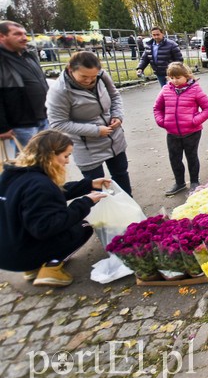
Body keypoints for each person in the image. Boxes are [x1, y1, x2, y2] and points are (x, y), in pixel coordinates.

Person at [0, 130, 110, 286]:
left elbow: (53, 193)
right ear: (50, 155)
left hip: (7, 253)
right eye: (65, 156)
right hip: (21, 254)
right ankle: (50, 269)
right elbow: (48, 227)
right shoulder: (39, 185)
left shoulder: (12, 174)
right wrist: (85, 202)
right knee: (83, 227)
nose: (67, 161)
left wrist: (89, 184)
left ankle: (32, 267)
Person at [46, 51, 132, 195]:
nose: (89, 81)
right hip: (87, 146)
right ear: (70, 69)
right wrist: (96, 130)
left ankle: (129, 204)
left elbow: (114, 96)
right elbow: (58, 123)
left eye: (93, 77)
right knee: (95, 183)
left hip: (114, 139)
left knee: (121, 174)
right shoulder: (60, 91)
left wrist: (117, 115)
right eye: (84, 77)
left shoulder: (101, 76)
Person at [153, 62, 208, 196]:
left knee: (191, 156)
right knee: (174, 158)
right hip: (172, 132)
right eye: (172, 77)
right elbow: (157, 108)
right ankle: (179, 183)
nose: (175, 81)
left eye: (178, 77)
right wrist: (162, 122)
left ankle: (194, 182)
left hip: (192, 132)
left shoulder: (195, 90)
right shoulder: (165, 90)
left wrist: (195, 121)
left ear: (187, 76)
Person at [0, 21, 50, 150]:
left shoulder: (29, 55)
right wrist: (2, 126)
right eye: (17, 34)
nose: (24, 38)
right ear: (2, 36)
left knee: (47, 160)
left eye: (24, 34)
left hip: (44, 117)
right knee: (26, 164)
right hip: (22, 124)